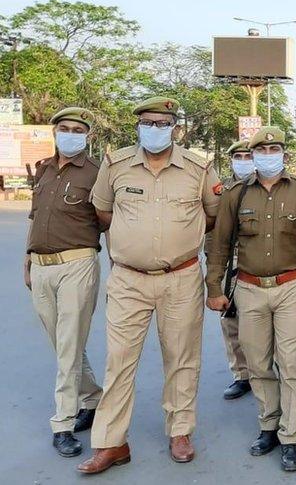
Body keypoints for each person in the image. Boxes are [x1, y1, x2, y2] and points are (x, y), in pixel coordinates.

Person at [79, 97, 220, 474]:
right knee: (119, 361)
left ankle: (180, 431)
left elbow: (212, 215)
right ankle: (111, 442)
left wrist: (177, 242)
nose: (155, 129)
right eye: (148, 122)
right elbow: (103, 211)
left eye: (162, 123)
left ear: (176, 127)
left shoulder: (198, 168)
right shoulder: (116, 164)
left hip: (181, 278)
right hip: (128, 279)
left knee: (182, 358)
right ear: (137, 125)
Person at [205, 126, 296, 472]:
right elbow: (220, 244)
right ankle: (268, 425)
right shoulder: (235, 194)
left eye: (274, 149)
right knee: (258, 362)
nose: (266, 155)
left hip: (292, 287)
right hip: (248, 289)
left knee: (290, 362)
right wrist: (214, 287)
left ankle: (291, 436)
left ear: (283, 153)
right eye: (261, 150)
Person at [25, 107, 105, 457]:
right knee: (62, 344)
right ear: (54, 131)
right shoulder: (42, 170)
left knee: (69, 344)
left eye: (78, 130)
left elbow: (107, 220)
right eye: (64, 128)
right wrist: (28, 257)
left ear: (88, 136)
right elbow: (35, 215)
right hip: (42, 266)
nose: (70, 134)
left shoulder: (97, 173)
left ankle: (63, 422)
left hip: (77, 263)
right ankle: (93, 397)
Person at [212, 139, 254, 401]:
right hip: (228, 262)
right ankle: (241, 373)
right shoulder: (220, 189)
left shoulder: (264, 186)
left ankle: (267, 369)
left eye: (247, 155)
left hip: (255, 259)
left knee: (261, 321)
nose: (242, 160)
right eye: (237, 156)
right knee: (230, 321)